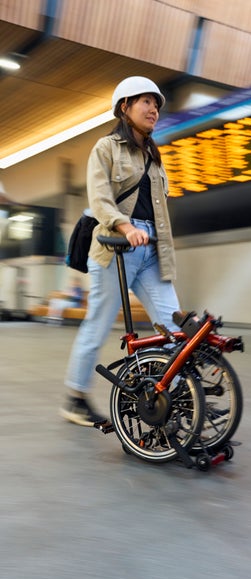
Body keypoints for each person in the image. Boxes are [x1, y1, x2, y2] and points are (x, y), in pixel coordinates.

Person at [60, 76, 180, 426]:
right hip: (115, 249)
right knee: (97, 325)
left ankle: (182, 394)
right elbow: (100, 199)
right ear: (124, 107)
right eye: (145, 101)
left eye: (156, 103)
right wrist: (125, 227)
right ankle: (75, 397)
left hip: (151, 249)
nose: (153, 109)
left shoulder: (155, 157)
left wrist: (157, 243)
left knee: (176, 326)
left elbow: (160, 210)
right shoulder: (106, 147)